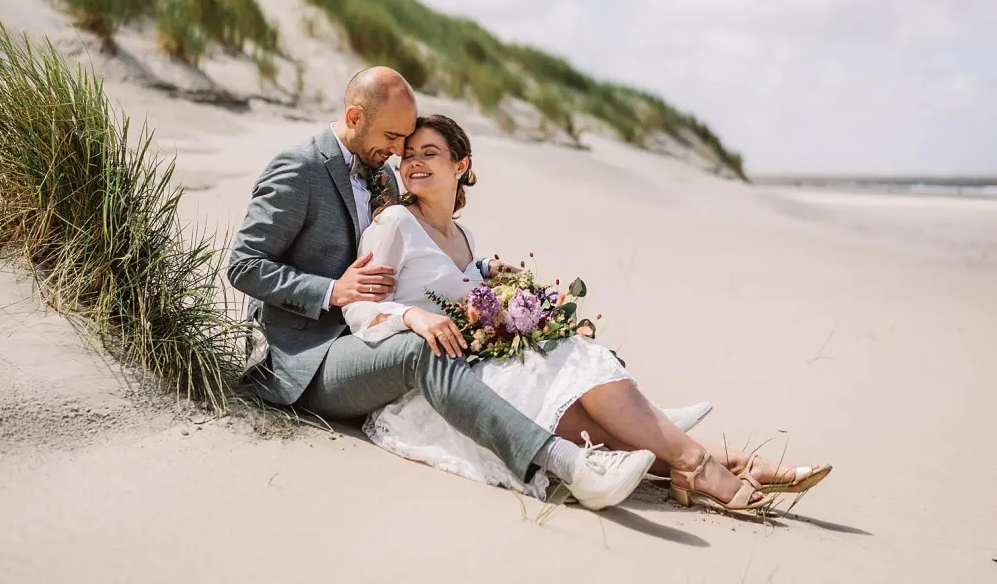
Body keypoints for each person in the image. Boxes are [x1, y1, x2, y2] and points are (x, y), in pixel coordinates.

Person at [340, 113, 832, 512]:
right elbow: (360, 310)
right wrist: (412, 318)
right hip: (440, 379)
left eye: (430, 153)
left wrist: (495, 283)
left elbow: (454, 282)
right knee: (567, 391)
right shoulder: (394, 223)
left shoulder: (464, 236)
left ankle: (714, 463)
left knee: (577, 370)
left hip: (486, 359)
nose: (414, 163)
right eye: (409, 156)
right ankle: (710, 464)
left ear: (461, 164)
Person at [230, 67, 667, 511]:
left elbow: (408, 257)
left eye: (406, 141)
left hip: (370, 337)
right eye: (394, 136)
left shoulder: (381, 174)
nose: (401, 151)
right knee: (425, 348)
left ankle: (642, 427)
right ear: (355, 116)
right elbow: (244, 264)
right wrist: (332, 291)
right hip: (309, 358)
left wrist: (477, 270)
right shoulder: (299, 168)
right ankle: (566, 462)